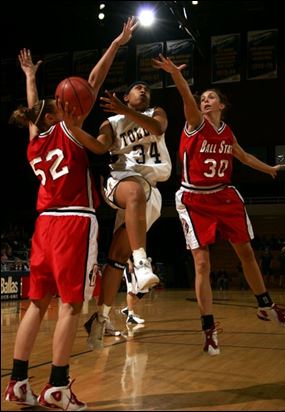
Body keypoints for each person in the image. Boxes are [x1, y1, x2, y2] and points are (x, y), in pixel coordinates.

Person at [4, 18, 137, 411]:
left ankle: (17, 382)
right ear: (57, 112)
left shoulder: (34, 144)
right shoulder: (71, 129)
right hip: (75, 221)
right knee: (70, 306)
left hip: (43, 226)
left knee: (36, 304)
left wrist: (30, 77)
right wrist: (117, 42)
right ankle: (57, 386)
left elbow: (32, 112)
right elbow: (94, 81)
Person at [152, 54, 285, 356]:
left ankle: (265, 304)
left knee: (246, 253)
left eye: (210, 97)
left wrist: (268, 169)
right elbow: (185, 95)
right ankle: (208, 328)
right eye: (202, 97)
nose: (205, 101)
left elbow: (242, 157)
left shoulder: (226, 132)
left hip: (224, 195)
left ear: (221, 105)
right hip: (194, 199)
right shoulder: (195, 123)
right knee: (202, 263)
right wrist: (176, 75)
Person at [82, 80, 172, 349]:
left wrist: (126, 109)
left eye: (146, 88)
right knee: (133, 192)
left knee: (117, 257)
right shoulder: (112, 122)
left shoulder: (156, 112)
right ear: (125, 96)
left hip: (151, 190)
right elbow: (99, 147)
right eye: (137, 88)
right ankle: (143, 263)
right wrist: (74, 129)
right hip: (121, 182)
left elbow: (157, 129)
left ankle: (100, 317)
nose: (143, 90)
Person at [121, 257, 150, 325]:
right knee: (131, 290)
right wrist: (129, 263)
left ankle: (128, 309)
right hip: (130, 266)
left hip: (138, 268)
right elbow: (125, 252)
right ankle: (130, 316)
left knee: (144, 290)